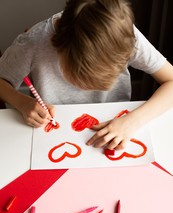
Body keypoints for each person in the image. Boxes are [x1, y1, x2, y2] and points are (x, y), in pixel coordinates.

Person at [0, 0, 173, 151]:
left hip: (116, 126)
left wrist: (133, 121)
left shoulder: (125, 37)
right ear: (61, 50)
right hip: (50, 132)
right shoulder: (34, 42)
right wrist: (21, 102)